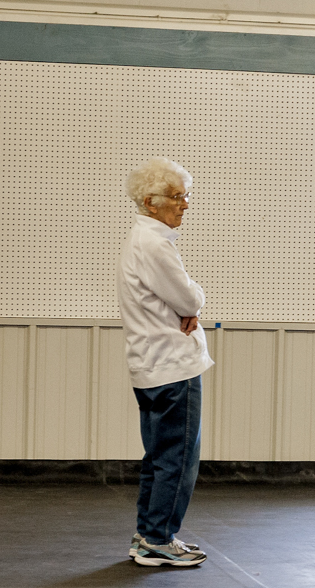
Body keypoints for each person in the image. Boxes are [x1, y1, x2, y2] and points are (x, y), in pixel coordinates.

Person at [118, 158, 214, 567]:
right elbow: (189, 299)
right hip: (173, 367)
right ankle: (159, 538)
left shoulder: (142, 239)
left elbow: (178, 299)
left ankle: (147, 534)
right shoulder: (156, 244)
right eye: (178, 197)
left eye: (185, 195)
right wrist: (194, 302)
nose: (185, 205)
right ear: (151, 202)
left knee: (158, 457)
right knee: (177, 459)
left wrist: (186, 303)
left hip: (151, 365)